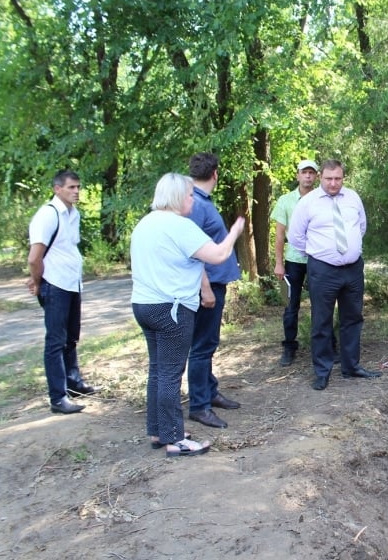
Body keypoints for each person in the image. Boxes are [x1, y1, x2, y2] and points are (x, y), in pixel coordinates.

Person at [130, 173, 244, 457]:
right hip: (172, 308)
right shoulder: (179, 226)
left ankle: (158, 430)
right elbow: (218, 255)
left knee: (158, 371)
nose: (193, 199)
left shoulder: (145, 223)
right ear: (178, 197)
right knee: (170, 374)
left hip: (144, 305)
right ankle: (176, 440)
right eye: (190, 195)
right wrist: (234, 232)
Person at [287, 159, 381, 390]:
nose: (333, 183)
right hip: (323, 270)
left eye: (337, 178)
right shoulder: (308, 203)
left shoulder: (352, 198)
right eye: (329, 178)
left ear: (343, 177)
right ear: (321, 177)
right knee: (322, 321)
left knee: (352, 318)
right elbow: (297, 237)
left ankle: (351, 366)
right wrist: (320, 254)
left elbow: (361, 226)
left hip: (352, 269)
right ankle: (322, 371)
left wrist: (349, 250)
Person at [27, 169, 98, 415]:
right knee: (55, 341)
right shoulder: (48, 215)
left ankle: (73, 381)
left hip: (71, 283)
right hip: (54, 284)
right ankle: (58, 397)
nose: (76, 191)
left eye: (78, 187)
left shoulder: (73, 213)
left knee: (72, 337)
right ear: (57, 189)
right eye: (71, 187)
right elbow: (35, 257)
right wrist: (37, 283)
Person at [186, 152, 242, 429]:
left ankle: (209, 391)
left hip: (215, 282)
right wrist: (205, 288)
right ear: (215, 174)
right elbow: (191, 251)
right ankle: (199, 405)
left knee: (207, 343)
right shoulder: (195, 204)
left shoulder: (200, 201)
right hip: (205, 287)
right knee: (201, 346)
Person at [271, 159, 323, 367]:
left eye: (312, 172)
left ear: (317, 176)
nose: (308, 176)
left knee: (322, 304)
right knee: (290, 305)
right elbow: (279, 235)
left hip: (319, 259)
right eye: (304, 172)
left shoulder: (323, 199)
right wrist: (278, 263)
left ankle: (327, 344)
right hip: (292, 261)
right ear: (297, 175)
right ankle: (289, 347)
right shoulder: (285, 200)